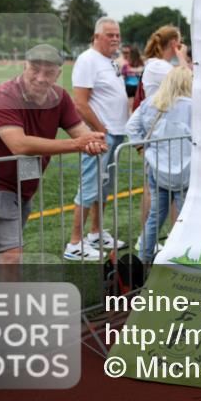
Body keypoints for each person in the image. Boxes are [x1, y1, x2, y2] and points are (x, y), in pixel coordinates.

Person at [0, 45, 107, 270]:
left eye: (49, 71)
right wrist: (78, 144)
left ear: (58, 74)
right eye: (35, 69)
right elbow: (19, 144)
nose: (41, 78)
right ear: (24, 66)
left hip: (23, 182)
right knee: (10, 255)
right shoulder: (4, 96)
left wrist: (93, 140)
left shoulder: (60, 97)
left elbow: (80, 132)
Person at [68, 17, 129, 260]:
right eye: (110, 35)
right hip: (100, 136)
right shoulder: (87, 60)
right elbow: (80, 103)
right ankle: (74, 242)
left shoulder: (109, 61)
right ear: (96, 37)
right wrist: (100, 129)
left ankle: (95, 233)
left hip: (113, 133)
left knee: (103, 189)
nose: (115, 39)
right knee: (89, 186)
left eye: (117, 35)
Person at [125, 66, 192, 264]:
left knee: (155, 217)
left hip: (156, 169)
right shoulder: (192, 106)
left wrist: (142, 149)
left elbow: (131, 127)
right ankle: (181, 263)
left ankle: (143, 260)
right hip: (185, 171)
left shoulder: (150, 103)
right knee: (183, 221)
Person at [141, 25, 190, 101]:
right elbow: (186, 84)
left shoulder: (161, 65)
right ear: (173, 43)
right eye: (180, 42)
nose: (182, 45)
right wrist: (182, 57)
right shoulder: (157, 66)